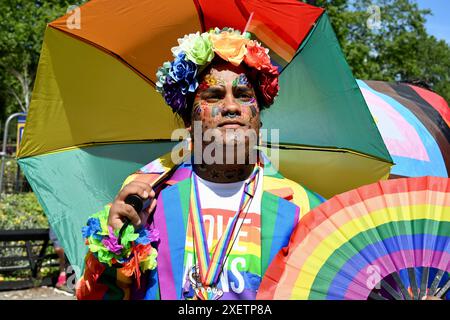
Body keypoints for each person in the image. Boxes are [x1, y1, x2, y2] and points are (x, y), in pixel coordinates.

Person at [76, 28, 324, 300]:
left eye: (243, 95)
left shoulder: (304, 209)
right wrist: (116, 242)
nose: (231, 107)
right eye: (214, 95)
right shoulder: (146, 196)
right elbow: (98, 295)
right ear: (187, 122)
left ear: (259, 119)